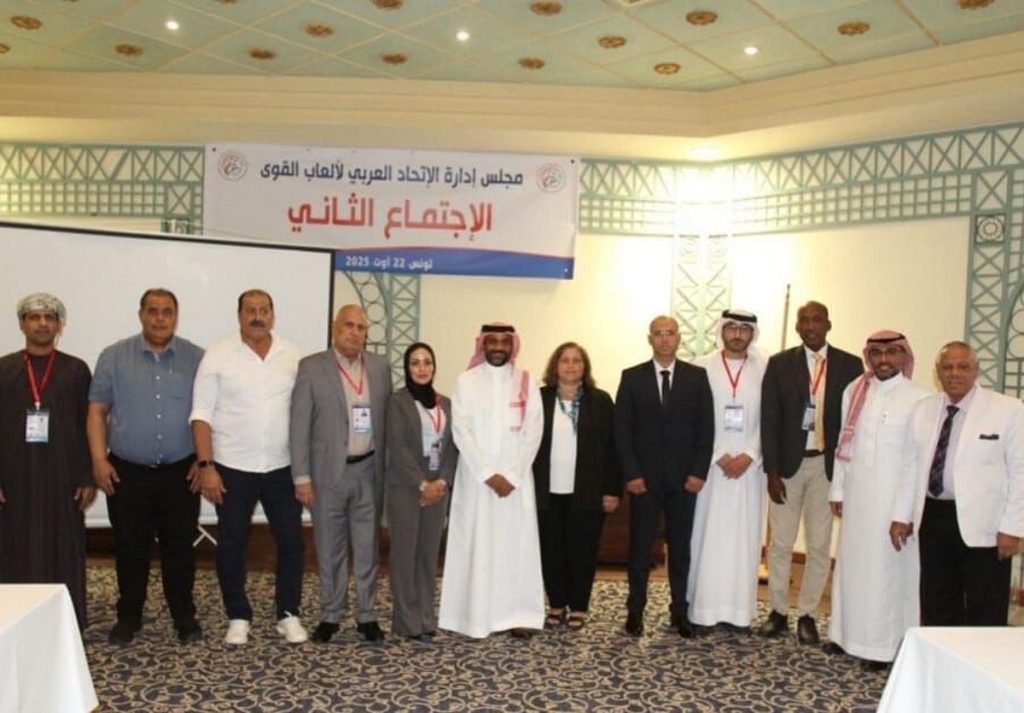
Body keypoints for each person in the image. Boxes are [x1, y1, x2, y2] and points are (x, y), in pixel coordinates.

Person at [87, 288, 205, 644]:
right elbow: (97, 412)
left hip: (181, 472)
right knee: (130, 547)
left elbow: (210, 414)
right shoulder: (113, 357)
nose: (160, 318)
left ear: (176, 317)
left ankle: (184, 616)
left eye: (167, 311)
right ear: (141, 315)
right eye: (152, 311)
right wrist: (98, 460)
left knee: (179, 548)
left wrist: (204, 461)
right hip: (127, 471)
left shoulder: (197, 359)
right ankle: (129, 616)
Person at [191, 289, 307, 645]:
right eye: (251, 310)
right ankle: (238, 615)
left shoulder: (293, 356)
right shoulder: (217, 354)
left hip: (282, 466)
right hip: (232, 466)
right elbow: (201, 414)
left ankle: (288, 614)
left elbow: (305, 413)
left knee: (292, 541)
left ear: (273, 315)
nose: (258, 316)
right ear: (239, 315)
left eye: (264, 310)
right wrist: (206, 466)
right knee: (231, 543)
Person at [890, 341, 1024, 626]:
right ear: (937, 372)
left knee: (985, 609)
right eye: (947, 367)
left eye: (963, 367)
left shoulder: (1008, 410)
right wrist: (901, 515)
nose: (954, 373)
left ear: (975, 370)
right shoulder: (923, 410)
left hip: (986, 525)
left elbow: (1020, 473)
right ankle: (939, 655)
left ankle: (982, 657)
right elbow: (910, 466)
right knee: (936, 602)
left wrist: (1013, 528)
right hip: (934, 518)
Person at [759, 301, 863, 644]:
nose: (810, 325)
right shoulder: (779, 364)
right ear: (797, 327)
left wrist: (846, 476)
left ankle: (808, 614)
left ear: (828, 325)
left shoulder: (850, 365)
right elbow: (769, 420)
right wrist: (772, 471)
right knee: (781, 543)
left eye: (816, 320)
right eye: (804, 320)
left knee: (819, 544)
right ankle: (777, 611)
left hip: (826, 466)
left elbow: (854, 421)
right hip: (787, 467)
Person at [826, 331, 928, 670]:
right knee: (851, 567)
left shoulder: (919, 399)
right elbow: (844, 446)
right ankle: (845, 635)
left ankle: (882, 647)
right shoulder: (854, 390)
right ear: (868, 356)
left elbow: (914, 462)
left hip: (891, 504)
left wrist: (903, 513)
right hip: (857, 498)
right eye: (877, 353)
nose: (883, 360)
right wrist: (837, 490)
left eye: (891, 352)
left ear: (903, 356)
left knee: (885, 574)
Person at [290, 304, 391, 643]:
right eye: (349, 325)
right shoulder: (311, 367)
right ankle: (331, 614)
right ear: (335, 328)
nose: (354, 332)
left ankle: (367, 615)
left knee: (367, 548)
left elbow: (387, 422)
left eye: (361, 327)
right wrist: (301, 477)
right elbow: (299, 425)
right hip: (327, 475)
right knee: (329, 548)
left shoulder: (379, 367)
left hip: (368, 471)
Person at [438, 323, 544, 638]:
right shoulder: (466, 382)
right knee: (478, 545)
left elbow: (534, 431)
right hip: (477, 481)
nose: (498, 347)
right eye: (492, 341)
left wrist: (511, 475)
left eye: (504, 342)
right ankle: (473, 616)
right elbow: (461, 431)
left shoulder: (527, 382)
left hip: (516, 482)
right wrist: (488, 474)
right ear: (483, 344)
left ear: (513, 345)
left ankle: (517, 615)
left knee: (516, 547)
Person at [615, 315, 714, 638]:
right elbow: (622, 431)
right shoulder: (632, 377)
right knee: (639, 550)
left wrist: (698, 472)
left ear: (678, 337)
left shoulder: (697, 377)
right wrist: (631, 473)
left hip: (685, 481)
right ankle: (635, 611)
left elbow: (706, 429)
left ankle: (680, 611)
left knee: (681, 550)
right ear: (650, 339)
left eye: (670, 333)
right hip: (644, 482)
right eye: (658, 333)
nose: (664, 339)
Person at [0, 293, 95, 629]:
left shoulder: (76, 370)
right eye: (34, 317)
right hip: (14, 476)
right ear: (22, 324)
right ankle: (15, 621)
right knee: (14, 546)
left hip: (63, 476)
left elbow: (89, 425)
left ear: (59, 325)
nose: (42, 323)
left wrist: (87, 475)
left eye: (49, 317)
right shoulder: (4, 369)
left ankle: (66, 623)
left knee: (63, 547)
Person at [687, 309, 766, 631]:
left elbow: (770, 417)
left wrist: (750, 454)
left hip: (750, 470)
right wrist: (718, 453)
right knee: (706, 536)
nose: (737, 334)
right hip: (711, 467)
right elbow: (694, 416)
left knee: (744, 539)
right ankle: (702, 609)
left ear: (752, 334)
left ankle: (738, 612)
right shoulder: (701, 366)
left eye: (744, 329)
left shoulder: (765, 367)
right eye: (731, 327)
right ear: (722, 330)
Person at [532, 342, 619, 631]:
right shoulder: (540, 399)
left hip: (587, 491)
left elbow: (613, 448)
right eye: (565, 360)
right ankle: (557, 604)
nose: (570, 366)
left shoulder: (600, 401)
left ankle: (579, 606)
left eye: (577, 360)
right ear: (555, 366)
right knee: (551, 550)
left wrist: (612, 490)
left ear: (585, 367)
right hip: (546, 492)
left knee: (582, 551)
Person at [385, 342, 456, 642]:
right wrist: (422, 484)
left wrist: (441, 482)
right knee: (405, 555)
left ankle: (426, 616)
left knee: (428, 554)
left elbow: (452, 447)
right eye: (415, 363)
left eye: (427, 362)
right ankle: (406, 620)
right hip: (406, 487)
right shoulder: (398, 402)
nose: (422, 368)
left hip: (438, 488)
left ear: (434, 367)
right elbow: (397, 446)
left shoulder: (446, 403)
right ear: (407, 368)